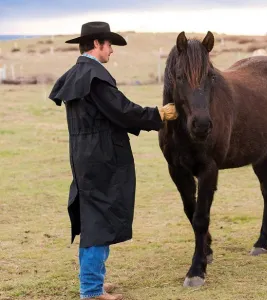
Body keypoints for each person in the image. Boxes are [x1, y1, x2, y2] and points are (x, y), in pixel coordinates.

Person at [48, 21, 177, 300]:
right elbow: (122, 110)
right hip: (102, 156)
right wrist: (158, 114)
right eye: (109, 46)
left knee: (94, 218)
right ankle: (91, 290)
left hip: (86, 154)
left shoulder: (78, 74)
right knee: (98, 222)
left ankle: (92, 282)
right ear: (97, 44)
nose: (111, 52)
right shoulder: (94, 76)